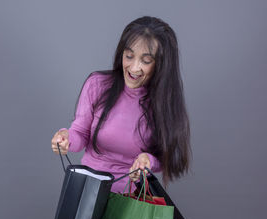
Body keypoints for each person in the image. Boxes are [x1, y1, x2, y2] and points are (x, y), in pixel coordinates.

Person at [51, 16, 191, 193]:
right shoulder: (97, 84)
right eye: (129, 56)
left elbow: (168, 157)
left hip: (132, 199)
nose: (134, 68)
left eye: (146, 61)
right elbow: (80, 132)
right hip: (87, 191)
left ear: (161, 64)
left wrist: (147, 160)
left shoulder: (164, 101)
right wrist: (67, 139)